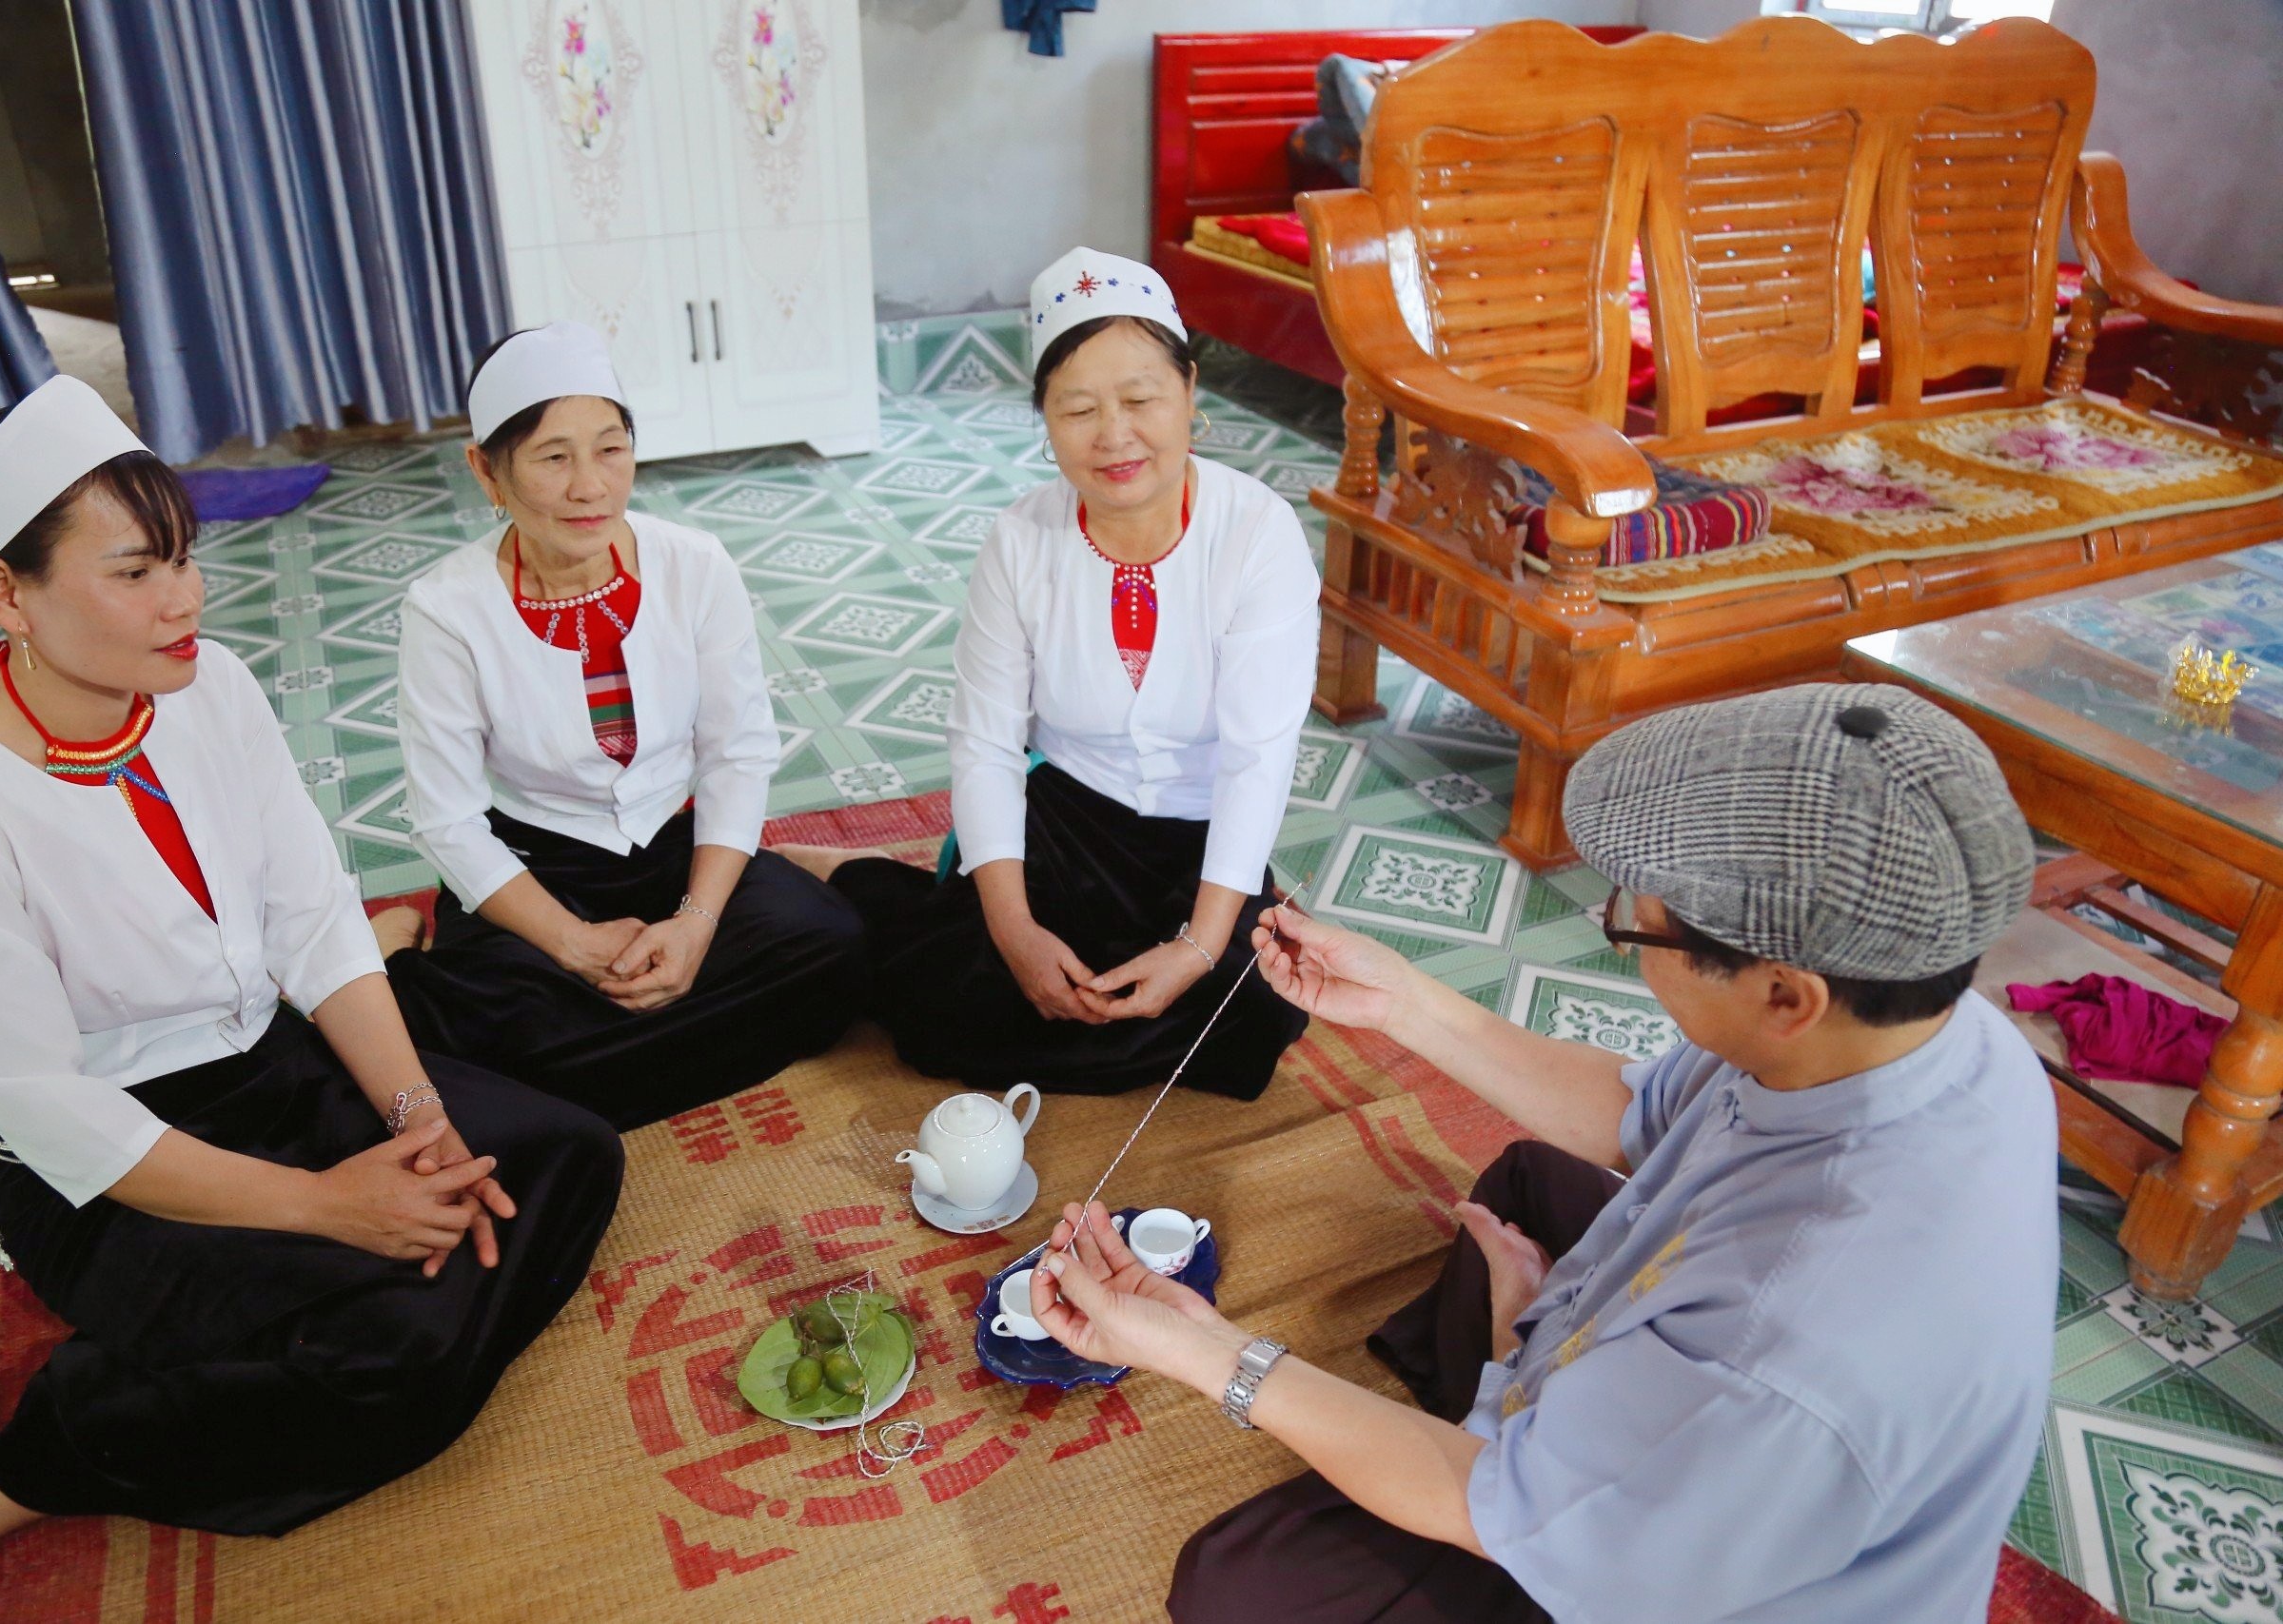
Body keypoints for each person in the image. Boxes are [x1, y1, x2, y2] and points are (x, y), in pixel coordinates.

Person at [1025, 684, 2057, 1623]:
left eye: (1635, 929)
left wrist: (1200, 1349)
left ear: (1784, 997)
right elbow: (1636, 1112)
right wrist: (1405, 1002)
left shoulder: (1789, 1343)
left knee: (1239, 1585)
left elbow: (1496, 1502)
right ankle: (1534, 1375)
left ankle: (1527, 1394)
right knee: (1527, 1182)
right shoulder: (1930, 1031)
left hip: (1704, 1570)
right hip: (1739, 1413)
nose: (1626, 934)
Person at [0, 377, 623, 1623]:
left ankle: (237, 1349)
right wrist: (329, 1202)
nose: (187, 598)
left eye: (187, 558)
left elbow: (313, 920)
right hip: (104, 1159)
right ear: (6, 592)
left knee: (565, 1156)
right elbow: (51, 1106)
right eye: (137, 571)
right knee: (396, 1347)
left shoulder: (215, 692)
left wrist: (416, 1117)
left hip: (266, 1062)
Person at [778, 249, 1319, 1102]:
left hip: (1201, 832)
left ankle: (1180, 965)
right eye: (1077, 408)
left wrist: (1199, 945)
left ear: (1189, 391)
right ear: (1045, 421)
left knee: (1248, 1020)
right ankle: (855, 876)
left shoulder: (1257, 533)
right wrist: (1014, 929)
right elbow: (986, 742)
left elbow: (1259, 757)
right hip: (1071, 816)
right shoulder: (1021, 539)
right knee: (950, 1005)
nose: (1115, 435)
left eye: (1141, 399)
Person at [382, 323, 867, 1130]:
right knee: (488, 1038)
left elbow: (737, 753)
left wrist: (695, 926)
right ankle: (402, 943)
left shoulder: (694, 564)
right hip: (537, 868)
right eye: (552, 457)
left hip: (672, 850)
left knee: (833, 947)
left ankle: (623, 1044)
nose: (590, 488)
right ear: (486, 471)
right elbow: (448, 820)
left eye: (611, 449)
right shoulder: (446, 609)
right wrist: (575, 944)